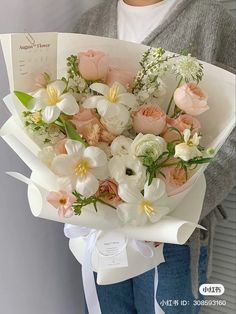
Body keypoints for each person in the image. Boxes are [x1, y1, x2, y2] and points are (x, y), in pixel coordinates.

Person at [74, 0, 236, 313]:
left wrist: (180, 207)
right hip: (102, 229)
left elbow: (231, 131)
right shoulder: (90, 23)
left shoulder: (211, 21)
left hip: (172, 237)